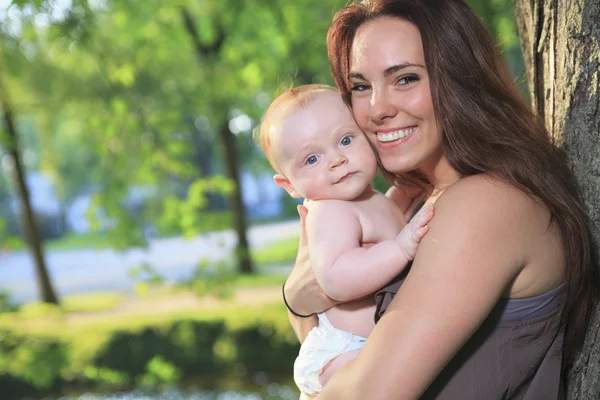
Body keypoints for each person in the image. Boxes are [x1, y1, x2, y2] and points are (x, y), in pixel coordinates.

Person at [282, 0, 598, 399]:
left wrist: (300, 297)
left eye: (406, 79)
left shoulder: (486, 203)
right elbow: (322, 341)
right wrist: (296, 296)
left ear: (460, 78)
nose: (376, 108)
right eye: (361, 86)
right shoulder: (413, 200)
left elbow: (368, 393)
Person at [256, 84, 434, 397]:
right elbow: (337, 277)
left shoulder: (369, 198)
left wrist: (412, 188)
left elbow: (386, 217)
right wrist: (401, 247)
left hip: (366, 346)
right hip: (344, 351)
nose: (337, 160)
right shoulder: (329, 212)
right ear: (289, 184)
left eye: (346, 140)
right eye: (311, 159)